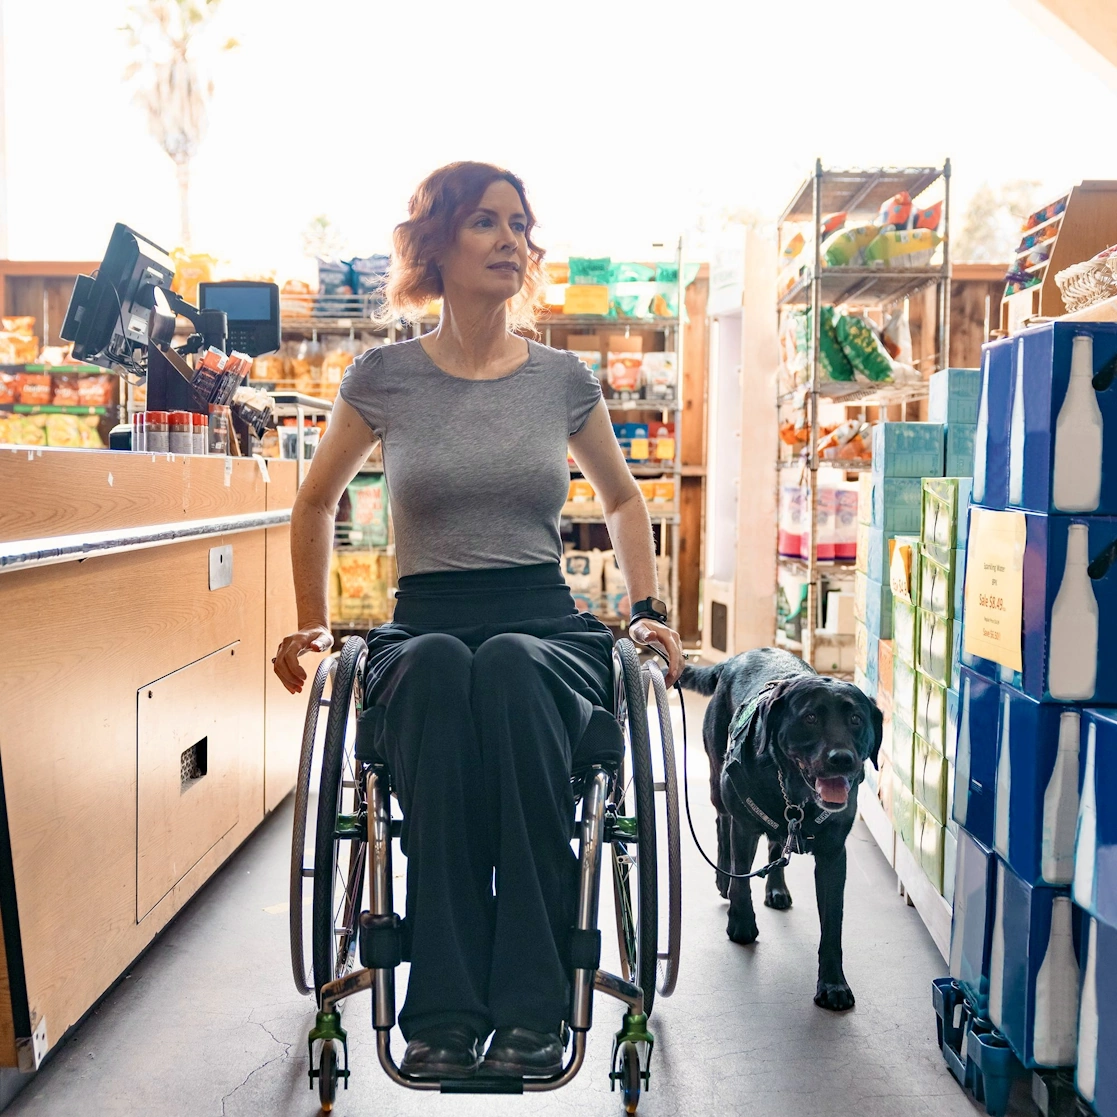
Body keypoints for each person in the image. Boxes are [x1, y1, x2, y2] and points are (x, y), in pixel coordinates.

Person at [273, 161, 683, 1080]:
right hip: (424, 622)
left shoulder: (560, 378)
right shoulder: (384, 376)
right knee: (437, 668)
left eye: (519, 224)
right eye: (486, 222)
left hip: (544, 628)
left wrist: (648, 610)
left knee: (505, 664)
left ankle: (532, 1008)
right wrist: (313, 623)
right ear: (436, 243)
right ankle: (445, 1012)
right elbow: (314, 502)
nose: (511, 240)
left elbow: (623, 500)